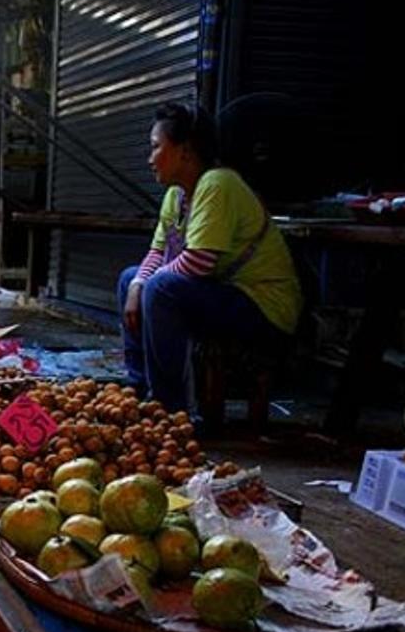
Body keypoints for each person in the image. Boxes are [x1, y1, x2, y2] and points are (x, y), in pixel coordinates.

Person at [117, 102, 302, 414]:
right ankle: (139, 390)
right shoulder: (175, 195)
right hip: (221, 294)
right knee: (129, 278)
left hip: (263, 307)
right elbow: (157, 252)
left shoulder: (218, 184)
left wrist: (148, 286)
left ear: (185, 151)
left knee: (160, 287)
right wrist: (137, 285)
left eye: (155, 148)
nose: (150, 159)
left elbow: (197, 262)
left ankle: (169, 410)